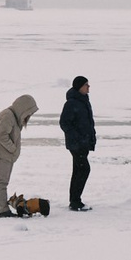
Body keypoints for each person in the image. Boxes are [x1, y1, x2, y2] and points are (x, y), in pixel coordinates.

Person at [0, 94, 38, 215]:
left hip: (5, 154)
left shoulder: (14, 117)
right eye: (29, 113)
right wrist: (13, 149)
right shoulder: (8, 116)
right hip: (1, 153)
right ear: (23, 108)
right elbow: (2, 135)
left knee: (0, 180)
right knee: (2, 182)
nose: (29, 116)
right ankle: (3, 210)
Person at [58, 76, 95, 211]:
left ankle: (75, 200)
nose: (89, 87)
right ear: (80, 86)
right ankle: (75, 201)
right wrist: (77, 137)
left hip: (83, 143)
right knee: (84, 169)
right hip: (77, 144)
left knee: (79, 170)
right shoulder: (72, 103)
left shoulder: (84, 101)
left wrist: (90, 138)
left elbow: (88, 123)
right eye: (86, 85)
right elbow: (64, 123)